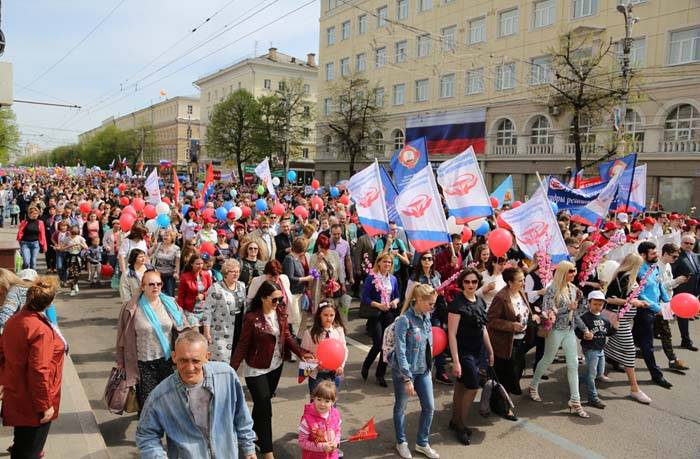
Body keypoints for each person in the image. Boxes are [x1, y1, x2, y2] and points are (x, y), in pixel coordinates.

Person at [135, 330, 256, 459]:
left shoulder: (226, 376)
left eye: (196, 361)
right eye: (183, 360)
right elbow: (146, 435)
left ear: (207, 357)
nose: (190, 368)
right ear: (174, 357)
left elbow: (241, 414)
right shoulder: (160, 396)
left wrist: (249, 448)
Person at [230, 280, 313, 459]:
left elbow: (287, 336)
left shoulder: (280, 313)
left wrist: (301, 353)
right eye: (274, 299)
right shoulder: (252, 318)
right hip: (256, 368)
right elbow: (242, 345)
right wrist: (230, 371)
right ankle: (267, 451)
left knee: (261, 405)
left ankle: (251, 434)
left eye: (280, 299)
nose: (278, 303)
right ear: (263, 298)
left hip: (275, 366)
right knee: (266, 409)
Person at [0, 276, 65, 458]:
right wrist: (45, 405)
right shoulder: (40, 329)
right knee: (29, 451)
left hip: (18, 396)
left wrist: (4, 381)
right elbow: (39, 370)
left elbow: (2, 353)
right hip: (34, 403)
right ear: (49, 303)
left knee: (22, 446)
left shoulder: (15, 320)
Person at [116, 270, 193, 410]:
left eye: (159, 284)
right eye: (151, 284)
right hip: (143, 364)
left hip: (168, 362)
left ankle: (167, 424)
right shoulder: (130, 308)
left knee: (169, 402)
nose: (156, 287)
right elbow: (122, 338)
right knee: (149, 405)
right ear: (143, 286)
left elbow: (184, 328)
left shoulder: (170, 303)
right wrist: (120, 362)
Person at [528, 261, 592, 418]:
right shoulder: (552, 289)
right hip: (555, 330)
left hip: (569, 330)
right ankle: (533, 385)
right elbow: (547, 312)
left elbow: (576, 313)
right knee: (547, 359)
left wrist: (584, 328)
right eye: (570, 271)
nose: (573, 274)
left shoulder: (573, 289)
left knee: (573, 364)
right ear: (563, 272)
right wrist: (567, 308)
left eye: (574, 271)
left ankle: (575, 400)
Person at [392, 284, 440, 459]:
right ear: (419, 300)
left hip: (424, 370)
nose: (432, 308)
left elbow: (428, 346)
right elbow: (400, 351)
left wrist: (430, 368)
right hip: (405, 372)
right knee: (401, 407)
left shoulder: (426, 317)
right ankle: (401, 442)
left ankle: (422, 443)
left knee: (429, 407)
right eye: (430, 304)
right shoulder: (404, 320)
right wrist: (407, 378)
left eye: (434, 304)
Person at [448, 268, 494, 445]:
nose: (470, 285)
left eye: (474, 282)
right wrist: (456, 361)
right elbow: (452, 334)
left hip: (477, 351)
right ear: (461, 283)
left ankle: (455, 420)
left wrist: (490, 350)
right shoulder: (457, 304)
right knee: (473, 387)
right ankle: (461, 425)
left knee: (461, 386)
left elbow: (483, 328)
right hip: (463, 352)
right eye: (467, 282)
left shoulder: (480, 301)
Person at [603, 253, 652, 404]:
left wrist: (639, 302)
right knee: (630, 351)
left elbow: (630, 297)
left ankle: (597, 369)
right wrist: (632, 303)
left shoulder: (630, 278)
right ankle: (634, 389)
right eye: (639, 265)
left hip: (625, 319)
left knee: (608, 345)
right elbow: (610, 299)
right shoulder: (622, 278)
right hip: (619, 319)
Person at [405, 251, 451, 386]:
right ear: (420, 261)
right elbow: (408, 297)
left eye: (429, 259)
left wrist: (439, 293)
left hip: (434, 313)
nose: (427, 261)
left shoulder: (436, 276)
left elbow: (440, 293)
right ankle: (414, 369)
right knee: (418, 342)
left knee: (437, 338)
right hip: (419, 315)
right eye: (424, 258)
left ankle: (440, 370)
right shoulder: (414, 278)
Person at [487, 267, 531, 403]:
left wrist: (536, 316)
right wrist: (512, 326)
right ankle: (501, 405)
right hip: (506, 344)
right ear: (510, 282)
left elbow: (525, 311)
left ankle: (505, 401)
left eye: (523, 279)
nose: (523, 283)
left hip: (521, 341)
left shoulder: (521, 292)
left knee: (518, 370)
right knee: (506, 376)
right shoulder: (501, 297)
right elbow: (491, 320)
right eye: (520, 280)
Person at [634, 241, 673, 389]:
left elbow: (659, 285)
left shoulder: (654, 267)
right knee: (647, 345)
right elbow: (641, 295)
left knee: (632, 338)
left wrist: (668, 303)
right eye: (653, 253)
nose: (657, 255)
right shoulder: (638, 271)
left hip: (657, 309)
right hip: (644, 311)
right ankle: (657, 375)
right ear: (643, 255)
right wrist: (658, 308)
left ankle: (612, 358)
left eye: (656, 252)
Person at [360, 252, 401, 387]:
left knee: (387, 345)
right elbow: (365, 297)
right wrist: (378, 305)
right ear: (378, 263)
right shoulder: (372, 277)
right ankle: (366, 364)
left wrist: (395, 301)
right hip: (375, 313)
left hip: (389, 314)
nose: (387, 264)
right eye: (385, 261)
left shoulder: (393, 279)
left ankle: (380, 374)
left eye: (389, 262)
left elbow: (397, 296)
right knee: (378, 344)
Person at [576, 291, 617, 409]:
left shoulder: (604, 318)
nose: (597, 306)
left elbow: (608, 332)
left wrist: (615, 327)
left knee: (599, 373)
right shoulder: (585, 318)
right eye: (595, 304)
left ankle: (576, 380)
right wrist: (584, 335)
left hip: (600, 349)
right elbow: (577, 331)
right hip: (590, 349)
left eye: (600, 304)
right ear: (589, 303)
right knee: (592, 375)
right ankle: (592, 397)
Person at [202, 259, 246, 362]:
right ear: (225, 273)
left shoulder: (242, 286)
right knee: (220, 360)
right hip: (220, 331)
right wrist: (206, 331)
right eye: (233, 271)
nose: (236, 274)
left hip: (238, 328)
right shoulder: (216, 288)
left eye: (238, 271)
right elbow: (207, 311)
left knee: (235, 359)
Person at [300, 300, 348, 393]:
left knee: (331, 399)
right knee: (316, 399)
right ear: (319, 315)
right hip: (316, 374)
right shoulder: (310, 333)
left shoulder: (338, 330)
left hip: (334, 373)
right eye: (325, 315)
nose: (329, 318)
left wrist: (341, 365)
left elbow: (344, 349)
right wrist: (315, 364)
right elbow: (304, 354)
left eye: (331, 315)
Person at [657, 243, 690, 371]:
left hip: (667, 302)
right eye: (674, 256)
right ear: (665, 253)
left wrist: (678, 281)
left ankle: (672, 359)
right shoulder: (657, 266)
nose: (676, 259)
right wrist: (676, 281)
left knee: (663, 332)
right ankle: (672, 359)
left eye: (677, 257)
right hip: (658, 303)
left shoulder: (668, 265)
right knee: (665, 332)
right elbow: (660, 287)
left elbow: (669, 286)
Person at [298, 381, 342, 459]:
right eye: (319, 399)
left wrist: (336, 441)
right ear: (313, 398)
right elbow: (302, 442)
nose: (322, 404)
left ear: (333, 402)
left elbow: (338, 431)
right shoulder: (307, 420)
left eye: (327, 401)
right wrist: (322, 447)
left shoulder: (335, 414)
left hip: (332, 456)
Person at [671, 234, 700, 351]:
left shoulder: (696, 256)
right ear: (681, 243)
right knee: (682, 316)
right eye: (686, 243)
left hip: (693, 292)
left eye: (691, 244)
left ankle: (657, 331)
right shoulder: (677, 256)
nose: (688, 245)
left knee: (683, 316)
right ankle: (686, 341)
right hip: (680, 293)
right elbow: (671, 273)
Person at [283, 237, 315, 336]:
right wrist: (306, 279)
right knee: (295, 320)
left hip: (299, 293)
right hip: (293, 294)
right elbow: (290, 278)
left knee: (298, 320)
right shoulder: (289, 259)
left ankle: (296, 338)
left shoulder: (296, 259)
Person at [310, 234, 345, 314]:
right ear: (319, 247)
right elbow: (312, 274)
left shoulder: (334, 254)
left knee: (335, 309)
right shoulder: (313, 257)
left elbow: (339, 270)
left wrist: (343, 284)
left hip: (333, 288)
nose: (326, 250)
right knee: (322, 310)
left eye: (327, 248)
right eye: (324, 248)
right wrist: (318, 261)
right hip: (320, 289)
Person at [177, 253, 213, 321]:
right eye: (197, 264)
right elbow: (180, 296)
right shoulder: (185, 277)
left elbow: (211, 291)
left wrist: (203, 295)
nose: (200, 266)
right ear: (191, 264)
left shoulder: (206, 274)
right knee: (195, 327)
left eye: (202, 263)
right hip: (190, 311)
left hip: (204, 310)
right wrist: (180, 311)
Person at [148, 229, 181, 297]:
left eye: (167, 235)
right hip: (157, 274)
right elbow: (149, 254)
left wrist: (176, 273)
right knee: (157, 294)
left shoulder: (176, 248)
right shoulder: (158, 245)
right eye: (164, 235)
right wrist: (154, 246)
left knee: (170, 295)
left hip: (170, 275)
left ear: (172, 238)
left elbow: (177, 263)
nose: (165, 237)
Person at [65, 225, 88, 297]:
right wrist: (69, 246)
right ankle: (72, 290)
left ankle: (75, 283)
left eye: (75, 234)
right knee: (71, 273)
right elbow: (62, 248)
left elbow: (86, 247)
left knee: (78, 273)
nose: (73, 235)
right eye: (72, 233)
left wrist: (80, 244)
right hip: (70, 257)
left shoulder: (80, 238)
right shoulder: (67, 238)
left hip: (78, 257)